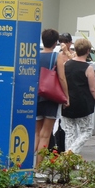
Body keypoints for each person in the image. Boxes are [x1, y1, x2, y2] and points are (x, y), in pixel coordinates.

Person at [61, 38, 95, 154]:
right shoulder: (88, 68)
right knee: (86, 131)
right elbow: (93, 89)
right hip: (82, 103)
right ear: (88, 51)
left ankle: (70, 161)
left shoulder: (66, 65)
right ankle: (71, 152)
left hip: (67, 101)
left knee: (70, 132)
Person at [35, 29, 70, 174]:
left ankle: (26, 166)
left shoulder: (35, 55)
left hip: (36, 96)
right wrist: (66, 96)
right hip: (50, 97)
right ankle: (38, 168)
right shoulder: (57, 57)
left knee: (36, 133)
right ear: (56, 42)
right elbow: (61, 78)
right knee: (46, 134)